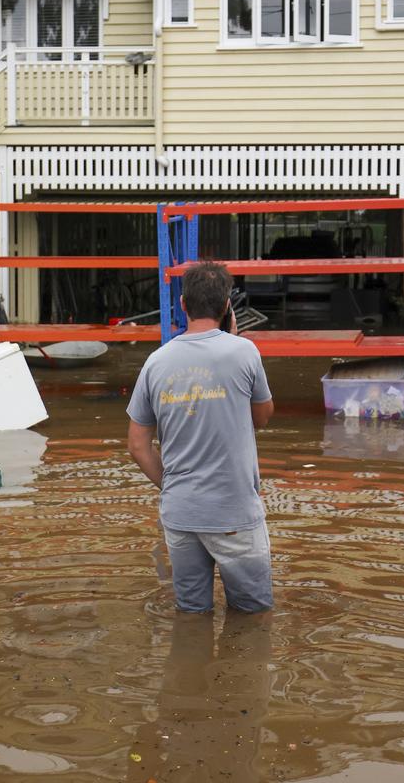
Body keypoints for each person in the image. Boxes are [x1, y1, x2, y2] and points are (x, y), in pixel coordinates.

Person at [126, 261, 274, 614]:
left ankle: (190, 667)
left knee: (191, 615)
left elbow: (137, 445)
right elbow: (263, 418)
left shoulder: (155, 362)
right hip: (233, 512)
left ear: (182, 304)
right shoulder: (244, 352)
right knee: (253, 617)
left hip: (180, 513)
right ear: (227, 306)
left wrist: (172, 485)